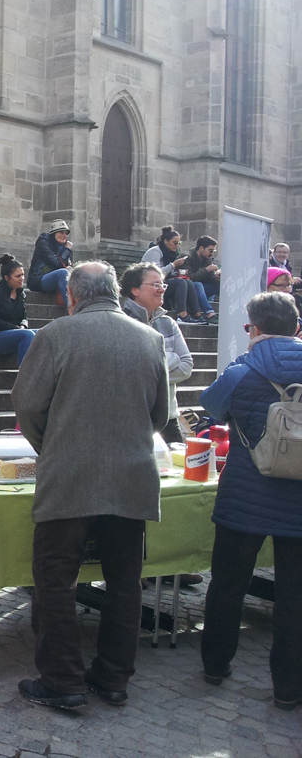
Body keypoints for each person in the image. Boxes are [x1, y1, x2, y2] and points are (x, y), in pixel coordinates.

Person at [11, 262, 169, 709]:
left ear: (72, 295)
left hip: (70, 478)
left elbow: (26, 405)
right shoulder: (150, 339)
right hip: (132, 476)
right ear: (117, 292)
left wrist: (55, 445)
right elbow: (160, 415)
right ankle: (114, 677)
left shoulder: (56, 336)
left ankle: (63, 680)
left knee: (55, 579)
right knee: (125, 581)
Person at [198, 292, 302, 711]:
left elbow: (210, 407)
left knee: (227, 585)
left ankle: (216, 665)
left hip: (246, 494)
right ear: (296, 326)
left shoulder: (241, 371)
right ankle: (289, 687)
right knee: (296, 597)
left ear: (255, 328)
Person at [121, 263, 194, 439]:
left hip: (169, 417)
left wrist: (149, 370)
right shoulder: (120, 323)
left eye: (162, 284)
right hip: (132, 417)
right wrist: (172, 358)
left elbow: (186, 366)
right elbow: (128, 372)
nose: (161, 290)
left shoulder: (168, 323)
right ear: (135, 290)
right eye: (155, 284)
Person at [141, 225, 205, 324]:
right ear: (166, 241)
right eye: (175, 243)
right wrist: (173, 265)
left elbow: (170, 273)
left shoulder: (172, 253)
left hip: (163, 283)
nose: (177, 245)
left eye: (179, 243)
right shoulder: (155, 252)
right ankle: (182, 315)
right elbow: (156, 274)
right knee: (181, 283)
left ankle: (197, 314)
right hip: (151, 284)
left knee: (188, 282)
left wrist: (178, 272)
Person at [0, 254, 36, 366]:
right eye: (17, 276)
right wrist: (15, 328)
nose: (21, 279)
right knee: (27, 335)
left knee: (41, 333)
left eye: (23, 275)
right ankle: (26, 379)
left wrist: (22, 326)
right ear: (7, 278)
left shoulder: (21, 294)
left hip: (15, 333)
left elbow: (23, 317)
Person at [28, 219, 73, 305]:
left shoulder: (64, 246)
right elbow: (57, 264)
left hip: (56, 280)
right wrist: (67, 249)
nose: (64, 235)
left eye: (66, 233)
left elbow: (66, 264)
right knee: (63, 273)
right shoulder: (43, 243)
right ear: (53, 234)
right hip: (38, 279)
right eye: (61, 232)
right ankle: (72, 309)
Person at [182, 235, 221, 322]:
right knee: (197, 285)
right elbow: (189, 278)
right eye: (210, 251)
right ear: (201, 248)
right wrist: (206, 270)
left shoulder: (207, 259)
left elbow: (208, 278)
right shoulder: (187, 257)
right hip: (187, 289)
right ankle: (209, 313)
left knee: (220, 286)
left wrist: (216, 278)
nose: (212, 254)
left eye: (213, 251)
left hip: (201, 289)